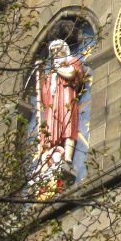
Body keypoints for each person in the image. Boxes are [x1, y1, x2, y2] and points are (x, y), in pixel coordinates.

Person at [35, 39, 85, 172]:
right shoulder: (51, 74)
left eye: (59, 49)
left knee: (68, 126)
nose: (56, 52)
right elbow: (43, 95)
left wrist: (56, 68)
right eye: (53, 51)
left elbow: (71, 74)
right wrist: (40, 76)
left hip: (66, 98)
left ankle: (67, 156)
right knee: (49, 131)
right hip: (53, 105)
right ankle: (48, 159)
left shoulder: (73, 61)